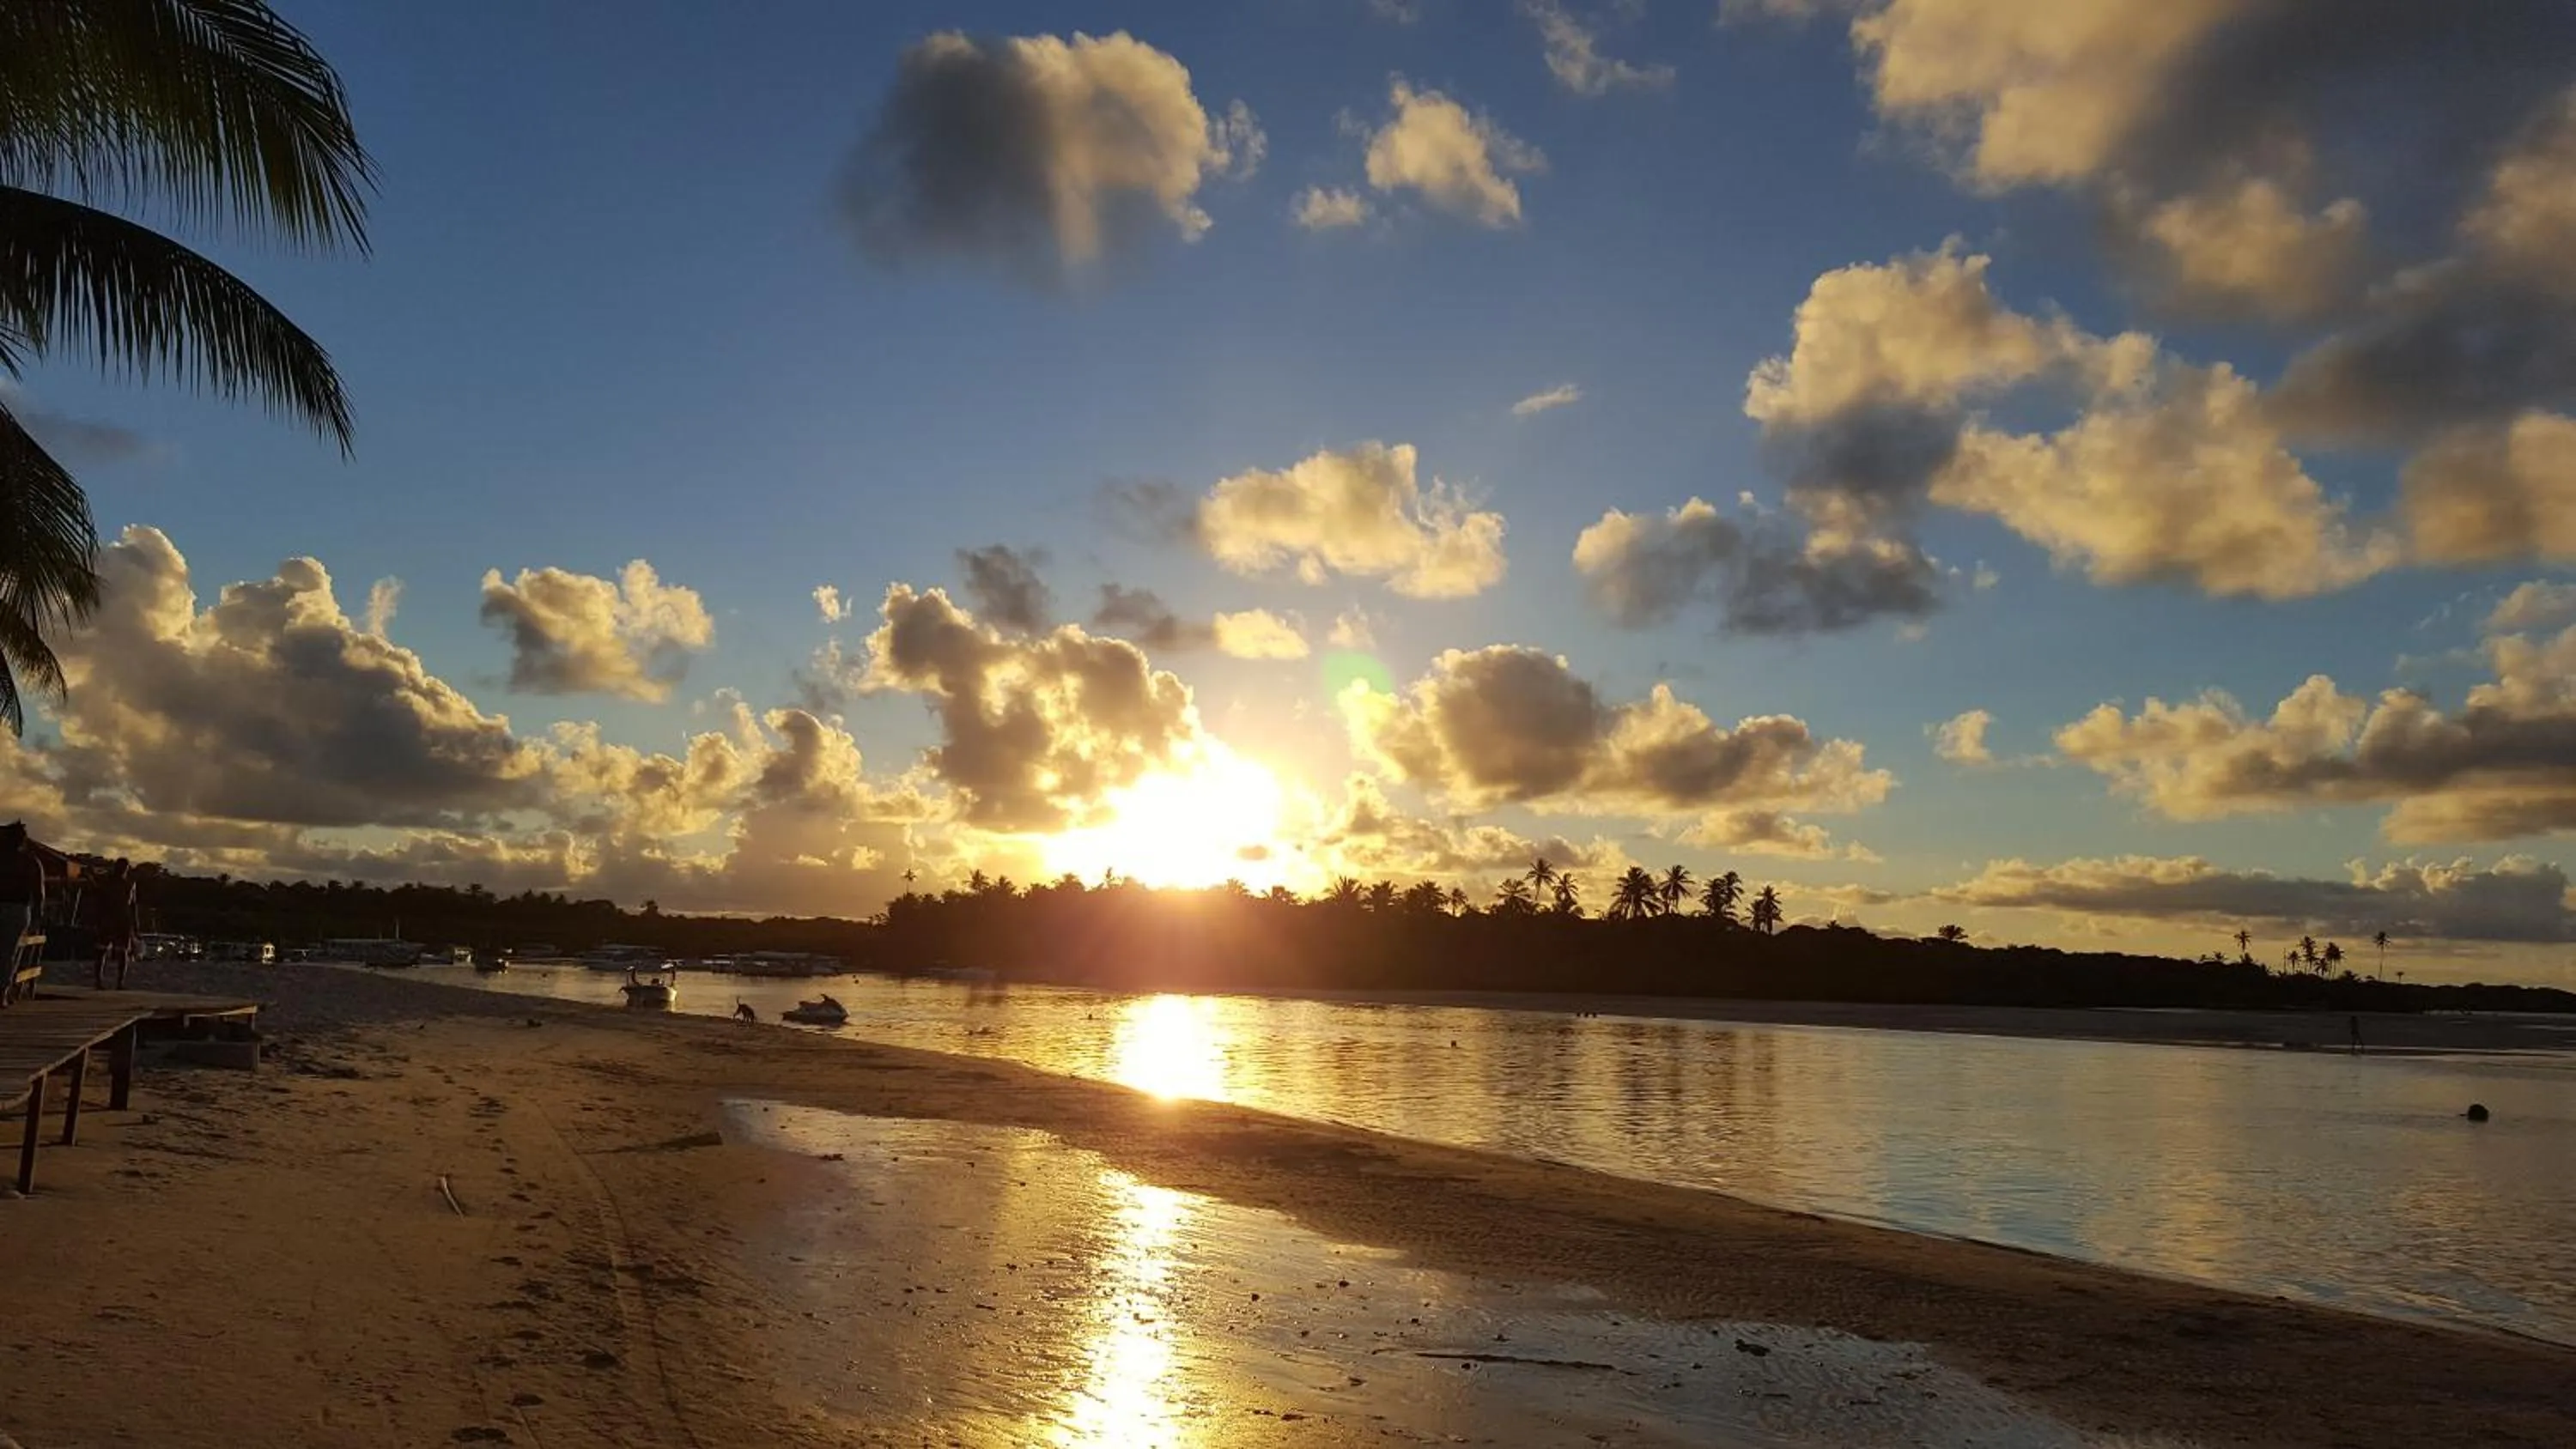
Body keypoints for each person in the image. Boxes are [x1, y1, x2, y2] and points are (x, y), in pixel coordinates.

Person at [0, 823, 45, 1003]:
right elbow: (39, 893)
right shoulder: (30, 862)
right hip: (18, 908)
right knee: (9, 952)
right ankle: (3, 992)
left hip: (13, 906)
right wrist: (37, 916)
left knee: (7, 952)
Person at [94, 858, 138, 990]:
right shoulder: (112, 884)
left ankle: (114, 982)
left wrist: (135, 925)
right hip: (114, 920)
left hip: (117, 920)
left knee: (117, 951)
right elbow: (132, 906)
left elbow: (133, 906)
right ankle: (110, 982)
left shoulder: (125, 884)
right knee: (107, 951)